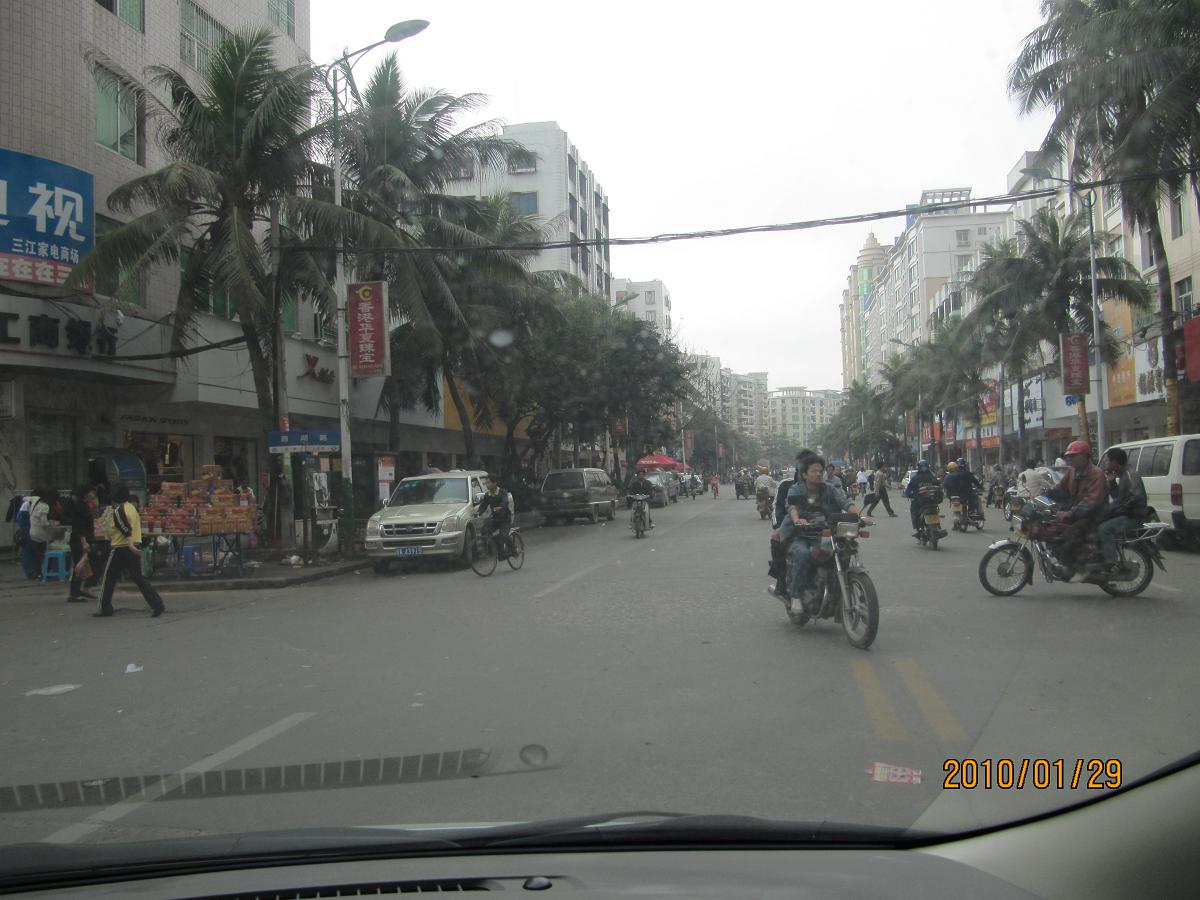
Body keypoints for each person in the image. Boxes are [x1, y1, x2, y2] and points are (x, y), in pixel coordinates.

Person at [780, 454, 869, 611]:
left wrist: (860, 516)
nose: (819, 474)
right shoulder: (796, 489)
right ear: (804, 474)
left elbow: (846, 503)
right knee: (802, 553)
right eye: (814, 471)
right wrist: (797, 520)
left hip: (825, 533)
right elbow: (792, 507)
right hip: (800, 534)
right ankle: (796, 596)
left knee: (843, 550)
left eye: (820, 471)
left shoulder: (830, 489)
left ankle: (836, 591)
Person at [95, 485, 165, 618]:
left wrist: (130, 544)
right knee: (138, 577)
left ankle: (105, 607)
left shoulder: (118, 511)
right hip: (134, 547)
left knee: (108, 578)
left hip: (120, 547)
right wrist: (134, 546)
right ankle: (157, 603)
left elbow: (125, 528)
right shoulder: (132, 508)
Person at [1045, 440, 1110, 573]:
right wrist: (1045, 495)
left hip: (1094, 516)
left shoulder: (1097, 474)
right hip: (1077, 513)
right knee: (1051, 529)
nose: (1070, 459)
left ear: (1085, 456)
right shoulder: (1072, 472)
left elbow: (1090, 502)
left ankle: (1078, 567)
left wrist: (1069, 514)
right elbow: (1060, 489)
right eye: (1069, 456)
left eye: (1074, 456)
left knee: (1070, 533)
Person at [1096, 448, 1149, 576]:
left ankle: (1111, 564)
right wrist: (1111, 481)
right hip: (1126, 514)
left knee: (1104, 529)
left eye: (1108, 461)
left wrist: (1116, 508)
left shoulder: (1131, 475)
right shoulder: (1123, 475)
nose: (1106, 464)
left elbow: (1135, 498)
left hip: (1133, 517)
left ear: (1115, 462)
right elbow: (1118, 497)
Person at [64, 485, 98, 602]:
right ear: (86, 494)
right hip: (79, 540)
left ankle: (79, 590)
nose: (94, 495)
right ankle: (74, 593)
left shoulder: (83, 505)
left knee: (84, 564)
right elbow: (79, 527)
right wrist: (84, 542)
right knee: (80, 566)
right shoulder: (80, 507)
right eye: (92, 493)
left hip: (81, 539)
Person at [475, 474, 515, 557]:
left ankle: (514, 550)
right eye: (486, 483)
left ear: (495, 483)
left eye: (489, 482)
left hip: (505, 519)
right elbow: (484, 505)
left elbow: (505, 501)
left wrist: (500, 507)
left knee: (504, 536)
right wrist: (478, 513)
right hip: (495, 520)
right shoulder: (488, 495)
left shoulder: (503, 492)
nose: (487, 485)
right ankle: (495, 549)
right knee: (484, 530)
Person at [904, 460, 941, 535]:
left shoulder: (915, 478)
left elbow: (908, 490)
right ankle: (938, 526)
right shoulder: (933, 477)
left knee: (914, 511)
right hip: (933, 501)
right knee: (935, 510)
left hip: (919, 502)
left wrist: (910, 495)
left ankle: (916, 527)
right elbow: (939, 488)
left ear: (918, 468)